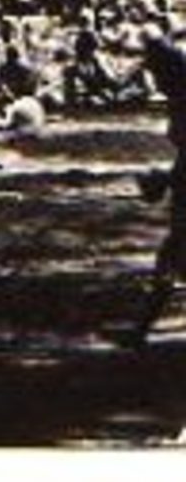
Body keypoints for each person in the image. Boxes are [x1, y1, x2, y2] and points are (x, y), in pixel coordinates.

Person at [126, 27, 186, 346]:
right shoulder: (178, 100)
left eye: (156, 73)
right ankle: (140, 330)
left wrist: (165, 180)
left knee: (171, 256)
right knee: (172, 255)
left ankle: (140, 331)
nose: (154, 81)